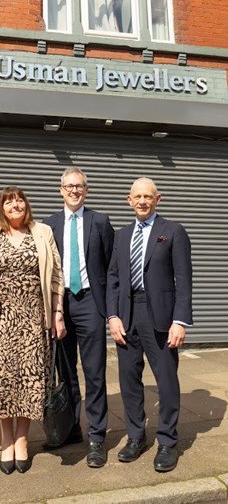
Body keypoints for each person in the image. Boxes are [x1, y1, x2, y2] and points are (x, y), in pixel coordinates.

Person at [0, 186, 66, 475]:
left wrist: (58, 313)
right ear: (1, 207)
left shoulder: (42, 231)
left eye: (19, 200)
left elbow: (56, 275)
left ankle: (23, 440)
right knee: (2, 380)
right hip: (0, 320)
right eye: (9, 201)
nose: (15, 205)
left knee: (29, 381)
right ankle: (6, 440)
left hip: (34, 319)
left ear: (27, 205)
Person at [107, 177, 192, 472]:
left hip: (162, 318)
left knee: (166, 380)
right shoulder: (121, 235)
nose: (142, 201)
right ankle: (136, 436)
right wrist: (113, 316)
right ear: (128, 200)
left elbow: (183, 280)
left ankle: (168, 441)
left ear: (158, 199)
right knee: (129, 382)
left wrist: (179, 321)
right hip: (127, 316)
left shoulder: (173, 231)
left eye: (148, 196)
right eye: (137, 196)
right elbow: (113, 280)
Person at [44, 167, 114, 468]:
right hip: (61, 305)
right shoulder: (48, 225)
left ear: (86, 190)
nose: (74, 190)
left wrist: (111, 311)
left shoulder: (100, 222)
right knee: (66, 371)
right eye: (69, 186)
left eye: (80, 186)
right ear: (61, 189)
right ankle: (72, 428)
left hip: (90, 303)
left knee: (95, 372)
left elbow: (112, 270)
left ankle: (97, 437)